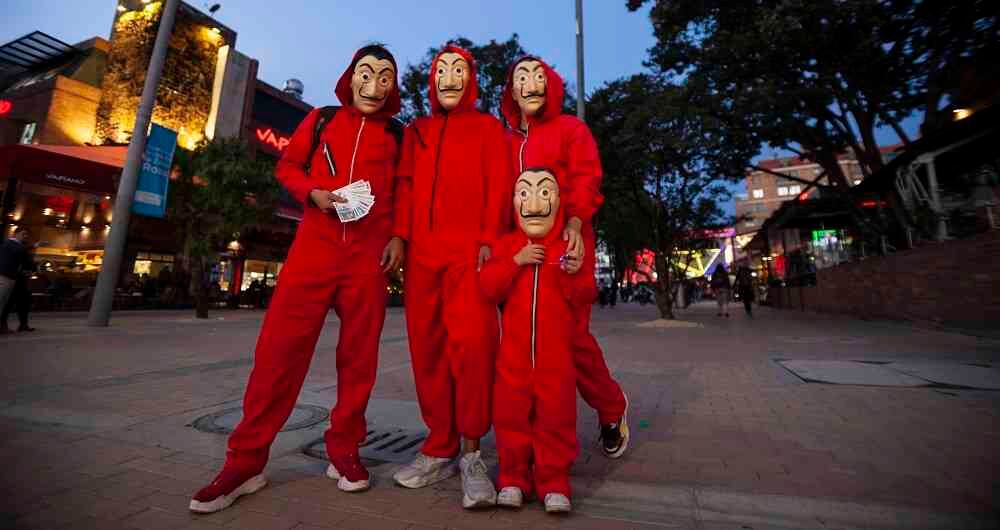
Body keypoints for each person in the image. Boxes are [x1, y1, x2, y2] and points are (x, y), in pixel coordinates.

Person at [190, 45, 405, 513]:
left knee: (359, 360)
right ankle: (245, 463)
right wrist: (315, 194)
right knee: (277, 355)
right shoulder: (323, 119)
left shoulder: (397, 136)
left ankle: (344, 450)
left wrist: (399, 237)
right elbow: (287, 167)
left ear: (394, 86)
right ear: (350, 77)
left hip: (367, 259)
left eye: (385, 77)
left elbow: (402, 193)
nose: (375, 84)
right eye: (366, 73)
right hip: (313, 251)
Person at [391, 44, 511, 509]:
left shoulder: (487, 128)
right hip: (422, 257)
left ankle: (472, 453)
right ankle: (438, 445)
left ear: (471, 79)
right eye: (442, 70)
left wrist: (488, 237)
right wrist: (400, 236)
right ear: (432, 80)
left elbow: (500, 185)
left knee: (475, 348)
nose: (449, 77)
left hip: (469, 257)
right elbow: (403, 186)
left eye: (459, 70)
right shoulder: (416, 132)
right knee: (427, 350)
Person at [501, 55, 629, 459]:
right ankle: (533, 437)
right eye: (522, 78)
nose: (532, 84)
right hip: (520, 254)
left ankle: (611, 407)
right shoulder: (504, 141)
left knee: (570, 338)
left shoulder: (571, 129)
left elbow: (588, 177)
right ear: (512, 91)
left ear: (551, 85)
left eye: (540, 76)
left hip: (569, 245)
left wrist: (574, 223)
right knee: (523, 343)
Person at [480, 168, 592, 513]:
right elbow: (488, 288)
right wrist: (516, 261)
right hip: (512, 357)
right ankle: (513, 478)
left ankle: (554, 481)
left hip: (555, 359)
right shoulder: (506, 244)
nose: (534, 202)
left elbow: (586, 294)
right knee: (511, 416)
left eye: (545, 193)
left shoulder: (568, 247)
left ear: (558, 201)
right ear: (514, 201)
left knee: (555, 418)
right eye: (524, 192)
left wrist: (573, 274)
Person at [0, 229, 35, 334]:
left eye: (27, 234)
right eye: (23, 234)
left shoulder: (19, 247)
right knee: (4, 303)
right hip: (7, 277)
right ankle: (3, 325)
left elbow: (26, 261)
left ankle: (22, 324)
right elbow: (23, 257)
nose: (25, 236)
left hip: (17, 279)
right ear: (15, 234)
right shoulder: (11, 244)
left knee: (22, 302)